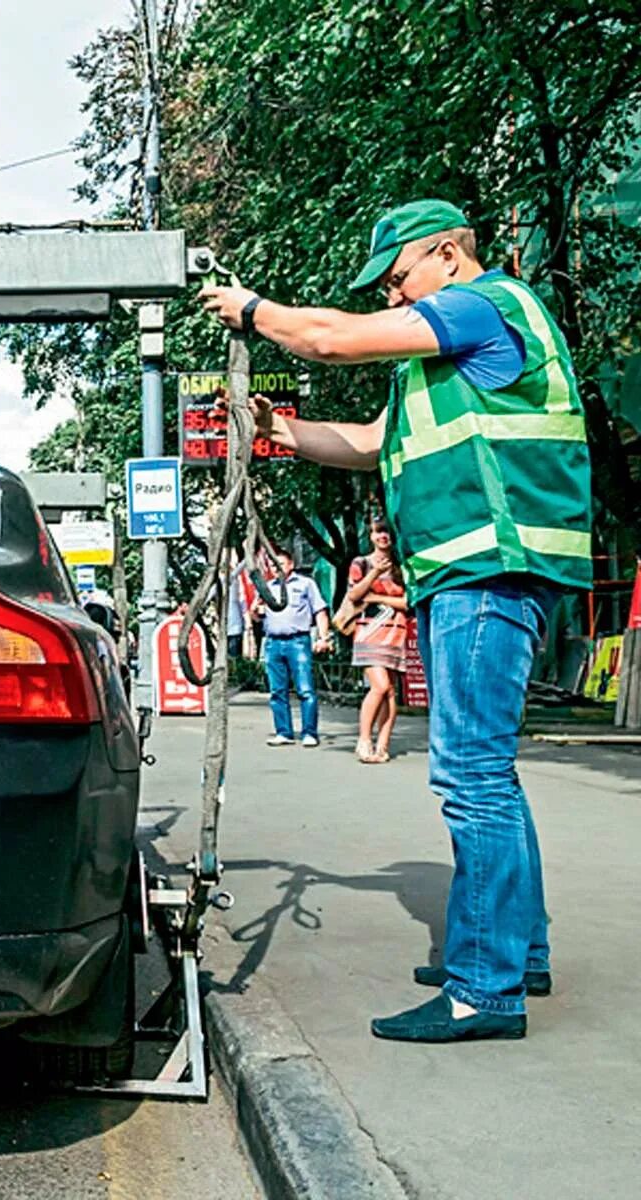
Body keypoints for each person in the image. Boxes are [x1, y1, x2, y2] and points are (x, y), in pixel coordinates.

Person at [200, 199, 591, 1043]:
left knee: (470, 776)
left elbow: (329, 337)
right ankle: (515, 951)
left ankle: (483, 991)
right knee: (491, 774)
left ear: (448, 254)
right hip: (485, 569)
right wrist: (285, 432)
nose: (393, 295)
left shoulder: (485, 305)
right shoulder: (442, 359)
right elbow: (374, 443)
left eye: (399, 276)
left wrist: (253, 312)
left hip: (489, 565)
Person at [344, 515, 408, 764]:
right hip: (368, 633)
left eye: (387, 532)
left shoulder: (402, 565)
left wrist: (376, 598)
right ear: (370, 536)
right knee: (379, 686)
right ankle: (364, 740)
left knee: (390, 692)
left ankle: (382, 746)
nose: (383, 537)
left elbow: (407, 602)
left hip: (395, 633)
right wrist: (374, 576)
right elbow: (354, 595)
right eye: (378, 532)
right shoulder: (361, 562)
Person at [257, 548, 331, 747]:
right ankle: (284, 732)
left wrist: (324, 637)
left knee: (305, 689)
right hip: (272, 642)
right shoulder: (266, 587)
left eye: (280, 564)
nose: (276, 568)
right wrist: (256, 611)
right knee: (276, 691)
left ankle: (309, 732)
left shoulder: (306, 584)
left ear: (290, 564)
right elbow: (256, 615)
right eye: (272, 565)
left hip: (297, 640)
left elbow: (320, 611)